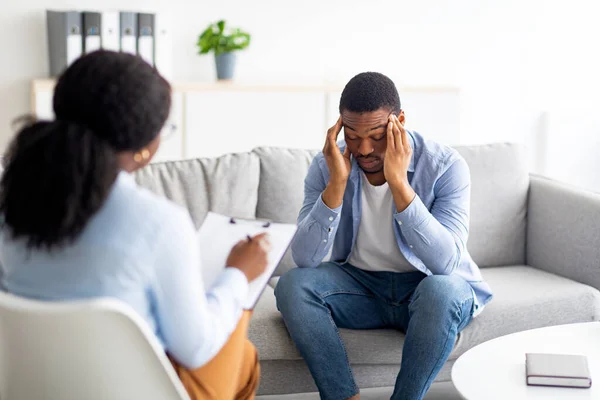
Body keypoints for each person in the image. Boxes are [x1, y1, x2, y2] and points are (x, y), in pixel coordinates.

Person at [0, 50, 269, 400]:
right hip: (133, 391)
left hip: (34, 388)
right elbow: (195, 348)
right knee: (240, 348)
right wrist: (238, 274)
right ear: (146, 145)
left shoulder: (10, 205)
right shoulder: (159, 223)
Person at [275, 72, 493, 400]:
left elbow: (446, 263)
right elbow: (305, 259)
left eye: (376, 136)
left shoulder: (445, 166)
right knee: (293, 284)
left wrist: (399, 184)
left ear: (399, 121)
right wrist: (336, 184)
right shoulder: (328, 165)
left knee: (442, 291)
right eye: (352, 135)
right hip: (361, 290)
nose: (364, 149)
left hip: (426, 288)